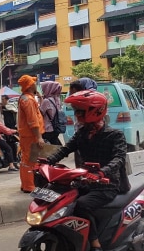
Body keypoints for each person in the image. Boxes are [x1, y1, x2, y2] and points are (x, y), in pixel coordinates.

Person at [46, 90, 129, 251]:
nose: (76, 115)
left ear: (95, 111)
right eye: (76, 111)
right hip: (86, 182)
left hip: (107, 185)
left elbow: (119, 159)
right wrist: (47, 161)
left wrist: (102, 172)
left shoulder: (115, 135)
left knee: (81, 204)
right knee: (63, 201)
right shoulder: (82, 133)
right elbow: (65, 149)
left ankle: (95, 242)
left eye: (80, 111)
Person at [17, 75, 45, 193]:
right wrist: (39, 137)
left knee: (25, 160)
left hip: (26, 135)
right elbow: (32, 120)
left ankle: (25, 185)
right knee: (31, 161)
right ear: (30, 85)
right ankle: (30, 186)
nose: (35, 84)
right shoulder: (28, 100)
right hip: (31, 135)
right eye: (33, 82)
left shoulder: (25, 98)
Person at [40, 81, 63, 146]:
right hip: (55, 127)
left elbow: (40, 113)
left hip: (47, 128)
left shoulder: (46, 101)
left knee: (45, 149)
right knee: (54, 145)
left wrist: (40, 98)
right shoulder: (57, 99)